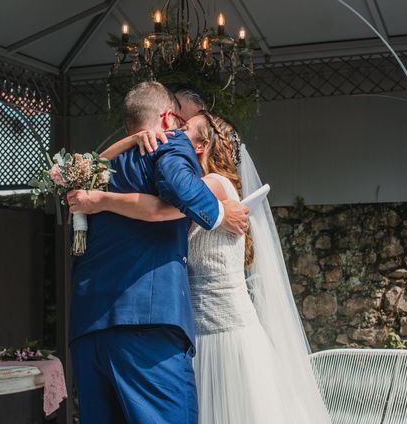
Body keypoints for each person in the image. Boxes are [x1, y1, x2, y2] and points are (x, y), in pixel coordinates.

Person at [69, 111, 332, 424]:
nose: (176, 131)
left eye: (184, 128)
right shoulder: (200, 186)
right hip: (202, 327)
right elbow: (82, 169)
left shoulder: (213, 186)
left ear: (200, 145)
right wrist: (133, 139)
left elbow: (157, 211)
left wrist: (100, 200)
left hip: (224, 329)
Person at [67, 81, 250, 424]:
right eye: (180, 121)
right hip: (146, 322)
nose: (182, 129)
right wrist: (219, 211)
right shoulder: (167, 144)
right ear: (167, 118)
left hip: (88, 327)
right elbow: (185, 192)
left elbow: (61, 178)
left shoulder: (91, 168)